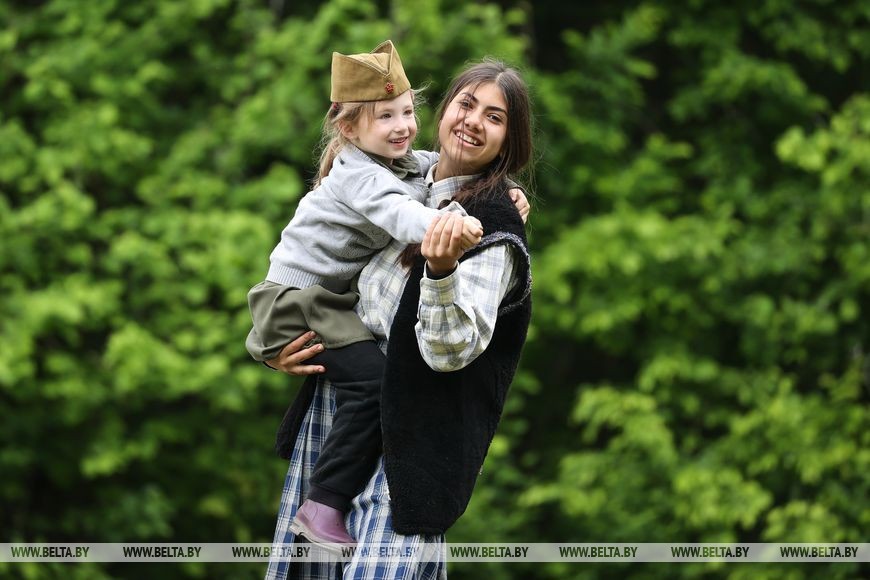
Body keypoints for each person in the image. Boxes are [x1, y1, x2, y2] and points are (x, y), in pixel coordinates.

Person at [264, 57, 534, 579]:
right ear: (446, 110)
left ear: (509, 140)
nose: (474, 120)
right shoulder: (403, 176)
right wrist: (279, 342)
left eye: (495, 117)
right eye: (467, 103)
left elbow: (449, 350)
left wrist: (441, 269)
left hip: (411, 439)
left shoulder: (492, 226)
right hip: (342, 414)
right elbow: (323, 266)